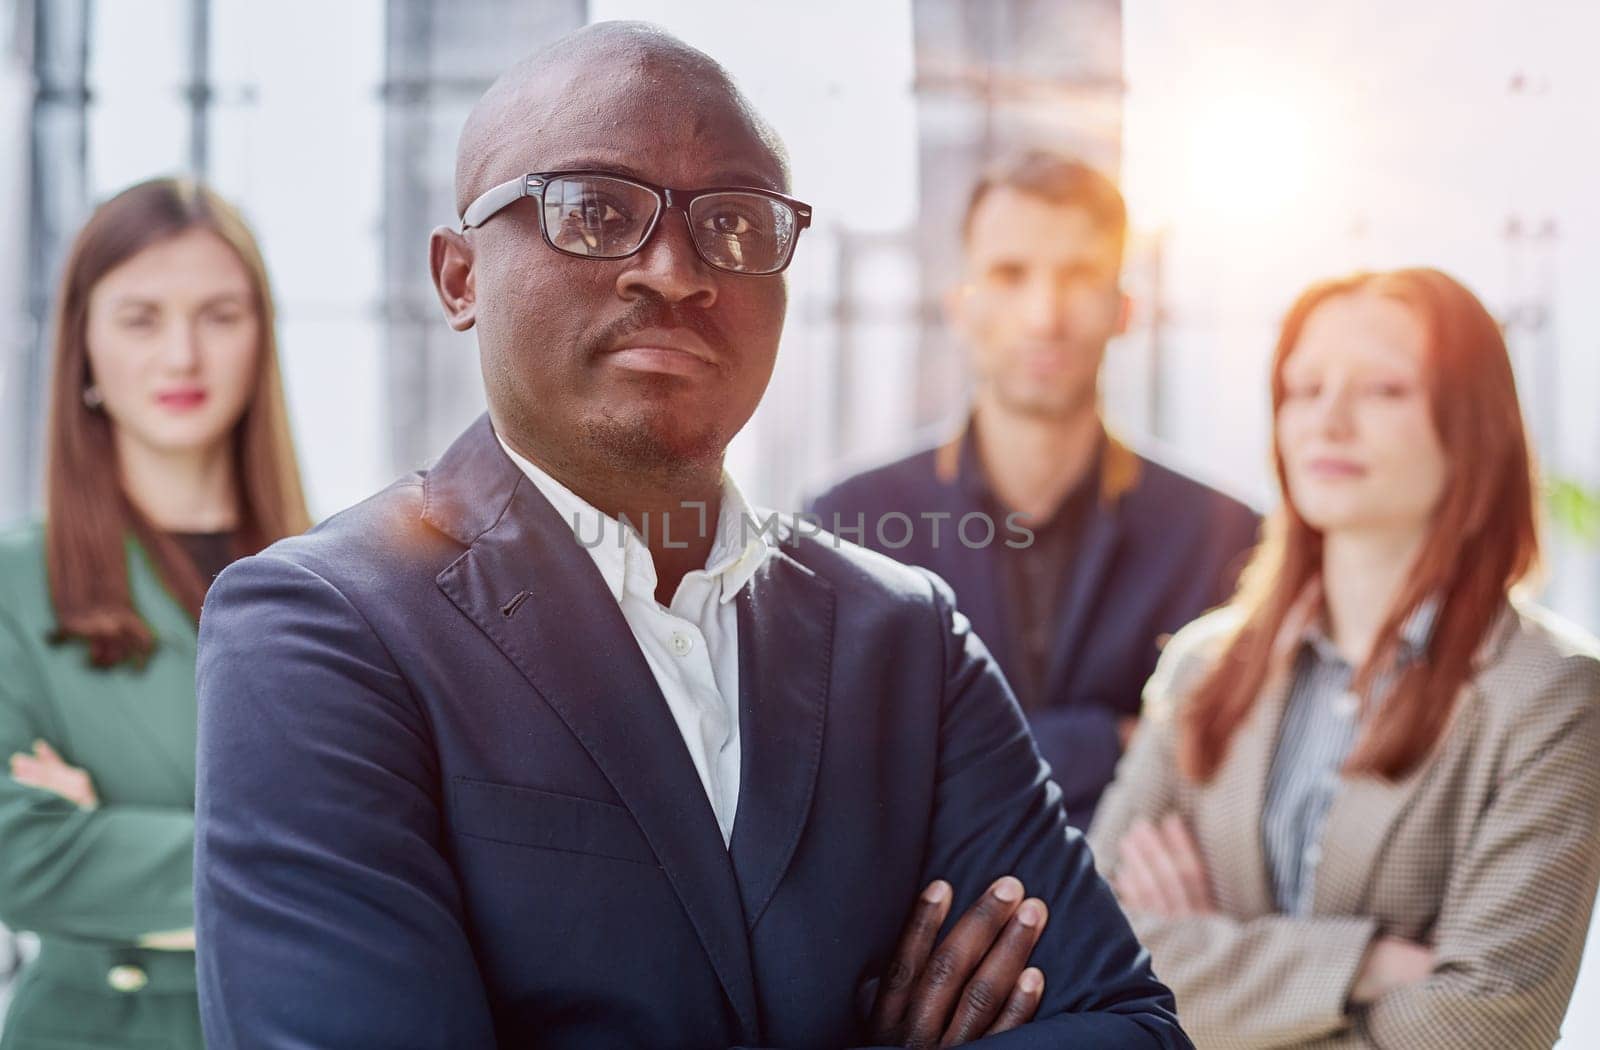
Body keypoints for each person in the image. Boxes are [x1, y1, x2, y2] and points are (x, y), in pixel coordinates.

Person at [192, 22, 1188, 1050]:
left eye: (738, 225)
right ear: (459, 277)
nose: (673, 270)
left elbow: (1127, 1030)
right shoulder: (322, 630)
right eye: (595, 210)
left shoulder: (904, 639)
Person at [1088, 268, 1600, 1048]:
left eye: (1383, 390)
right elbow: (1093, 950)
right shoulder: (1203, 669)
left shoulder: (1552, 698)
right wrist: (1360, 967)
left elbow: (1483, 1030)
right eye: (1303, 388)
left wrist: (1206, 979)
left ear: (1472, 424)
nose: (1327, 420)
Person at [809, 152, 1258, 830]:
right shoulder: (849, 524)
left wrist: (947, 750)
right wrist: (1109, 741)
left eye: (1079, 277)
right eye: (1010, 274)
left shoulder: (1226, 536)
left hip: (1142, 928)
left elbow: (1230, 778)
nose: (1045, 316)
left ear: (1124, 309)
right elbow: (838, 776)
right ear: (962, 305)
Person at [0, 178, 310, 1050]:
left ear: (261, 338)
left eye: (219, 315)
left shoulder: (350, 579)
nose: (182, 355)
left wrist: (116, 843)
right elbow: (19, 855)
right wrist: (311, 854)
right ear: (84, 348)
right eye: (141, 318)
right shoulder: (16, 583)